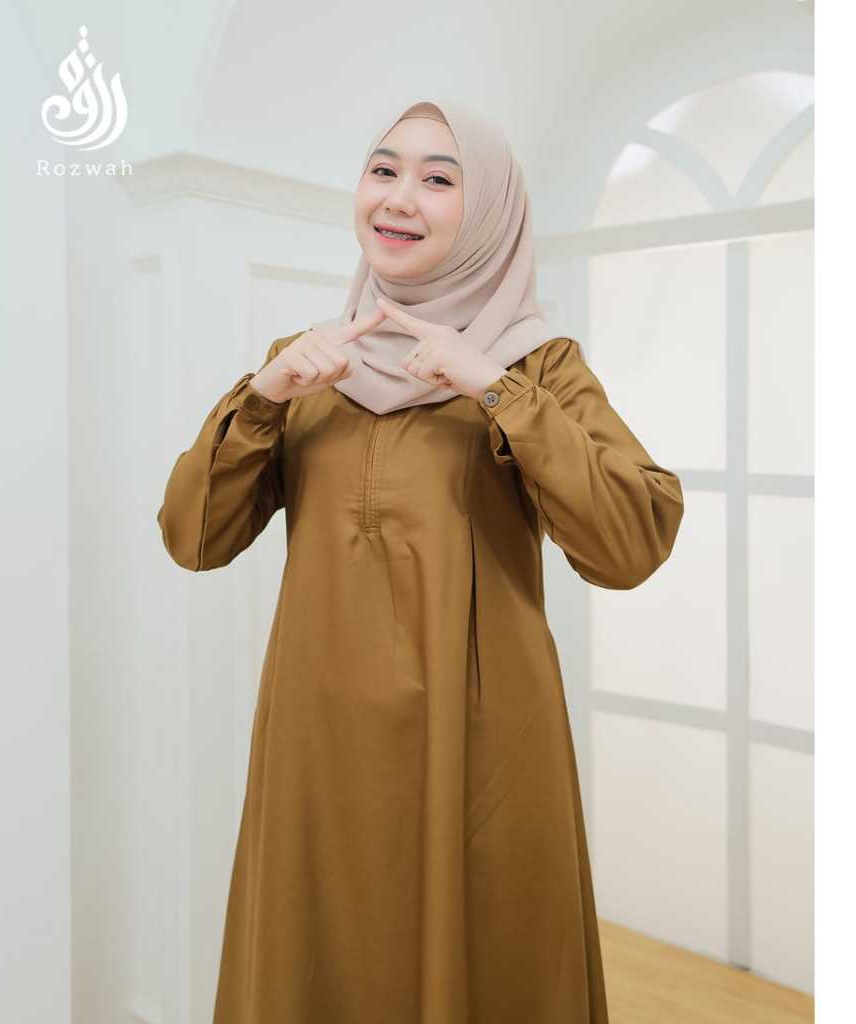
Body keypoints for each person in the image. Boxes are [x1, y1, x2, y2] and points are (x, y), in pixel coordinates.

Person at [157, 98, 684, 1024]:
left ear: (489, 214)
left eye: (439, 178)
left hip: (477, 751)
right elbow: (194, 538)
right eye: (383, 169)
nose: (399, 198)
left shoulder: (538, 365)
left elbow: (631, 540)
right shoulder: (307, 363)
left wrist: (496, 389)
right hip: (317, 748)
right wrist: (264, 398)